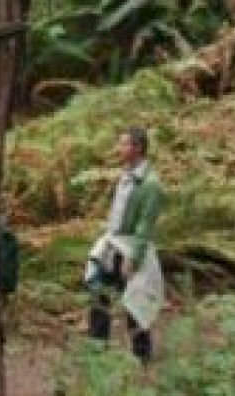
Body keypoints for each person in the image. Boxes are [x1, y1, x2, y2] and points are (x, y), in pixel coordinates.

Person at [84, 126, 164, 363]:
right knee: (98, 290)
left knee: (134, 301)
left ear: (137, 148)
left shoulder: (151, 185)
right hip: (113, 245)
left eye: (124, 144)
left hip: (130, 250)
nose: (119, 149)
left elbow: (145, 226)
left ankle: (142, 355)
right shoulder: (125, 175)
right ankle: (98, 347)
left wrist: (134, 258)